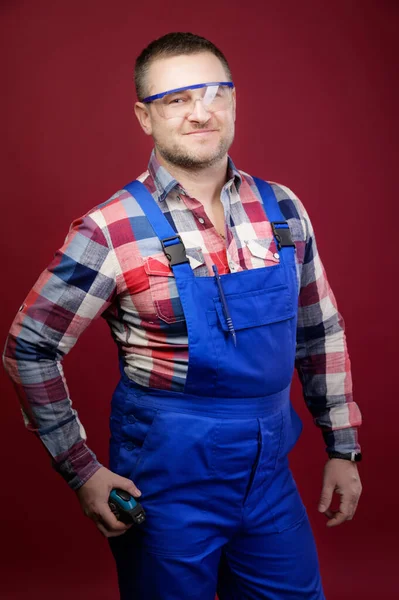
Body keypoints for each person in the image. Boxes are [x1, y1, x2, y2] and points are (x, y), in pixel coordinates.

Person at [3, 32, 362, 600]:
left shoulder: (285, 210)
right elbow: (29, 345)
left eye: (218, 93)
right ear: (145, 117)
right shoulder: (111, 227)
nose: (202, 112)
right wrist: (81, 469)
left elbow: (318, 330)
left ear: (235, 104)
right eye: (177, 99)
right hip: (166, 482)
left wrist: (342, 446)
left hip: (269, 477)